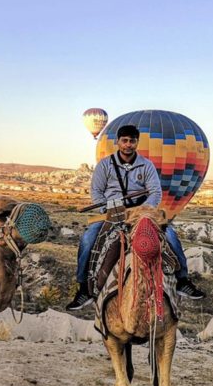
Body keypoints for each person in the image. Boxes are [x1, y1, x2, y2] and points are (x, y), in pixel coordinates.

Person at [66, 124, 205, 311]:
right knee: (88, 238)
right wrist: (109, 209)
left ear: (137, 143)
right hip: (114, 212)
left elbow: (155, 192)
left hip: (141, 212)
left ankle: (182, 280)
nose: (128, 144)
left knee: (171, 235)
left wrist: (144, 210)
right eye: (124, 140)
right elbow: (97, 193)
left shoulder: (146, 165)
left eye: (132, 141)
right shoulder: (105, 165)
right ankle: (83, 288)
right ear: (118, 142)